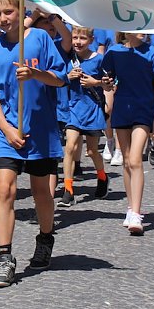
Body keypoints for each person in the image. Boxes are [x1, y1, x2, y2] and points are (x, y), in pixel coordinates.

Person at [0, 0, 67, 287]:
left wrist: (35, 75)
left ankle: (45, 238)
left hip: (40, 129)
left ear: (21, 12)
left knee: (42, 191)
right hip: (7, 130)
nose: (4, 18)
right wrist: (5, 128)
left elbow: (60, 78)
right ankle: (5, 257)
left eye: (9, 12)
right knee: (5, 189)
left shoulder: (41, 40)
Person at [102, 32, 154, 235]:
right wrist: (105, 84)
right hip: (122, 107)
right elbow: (107, 80)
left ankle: (137, 212)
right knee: (127, 160)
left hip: (144, 109)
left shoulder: (153, 53)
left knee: (136, 159)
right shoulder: (114, 52)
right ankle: (130, 208)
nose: (142, 30)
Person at [60, 26, 108, 207]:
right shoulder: (69, 58)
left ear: (91, 40)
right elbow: (59, 79)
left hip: (92, 110)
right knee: (70, 148)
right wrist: (68, 76)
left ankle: (102, 176)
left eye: (82, 38)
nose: (78, 42)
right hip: (73, 109)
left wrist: (94, 82)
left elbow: (110, 84)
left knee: (91, 151)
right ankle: (68, 189)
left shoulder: (99, 59)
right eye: (75, 38)